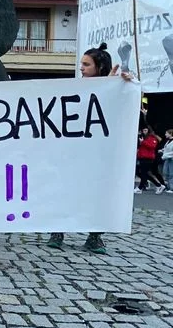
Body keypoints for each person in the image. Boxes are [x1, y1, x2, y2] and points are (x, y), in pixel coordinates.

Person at [48, 42, 134, 254]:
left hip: (99, 156)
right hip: (72, 153)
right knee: (65, 189)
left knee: (98, 193)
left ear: (100, 67)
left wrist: (125, 84)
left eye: (86, 65)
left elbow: (123, 107)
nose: (81, 68)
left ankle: (95, 236)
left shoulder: (113, 87)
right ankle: (57, 231)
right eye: (81, 64)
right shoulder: (74, 89)